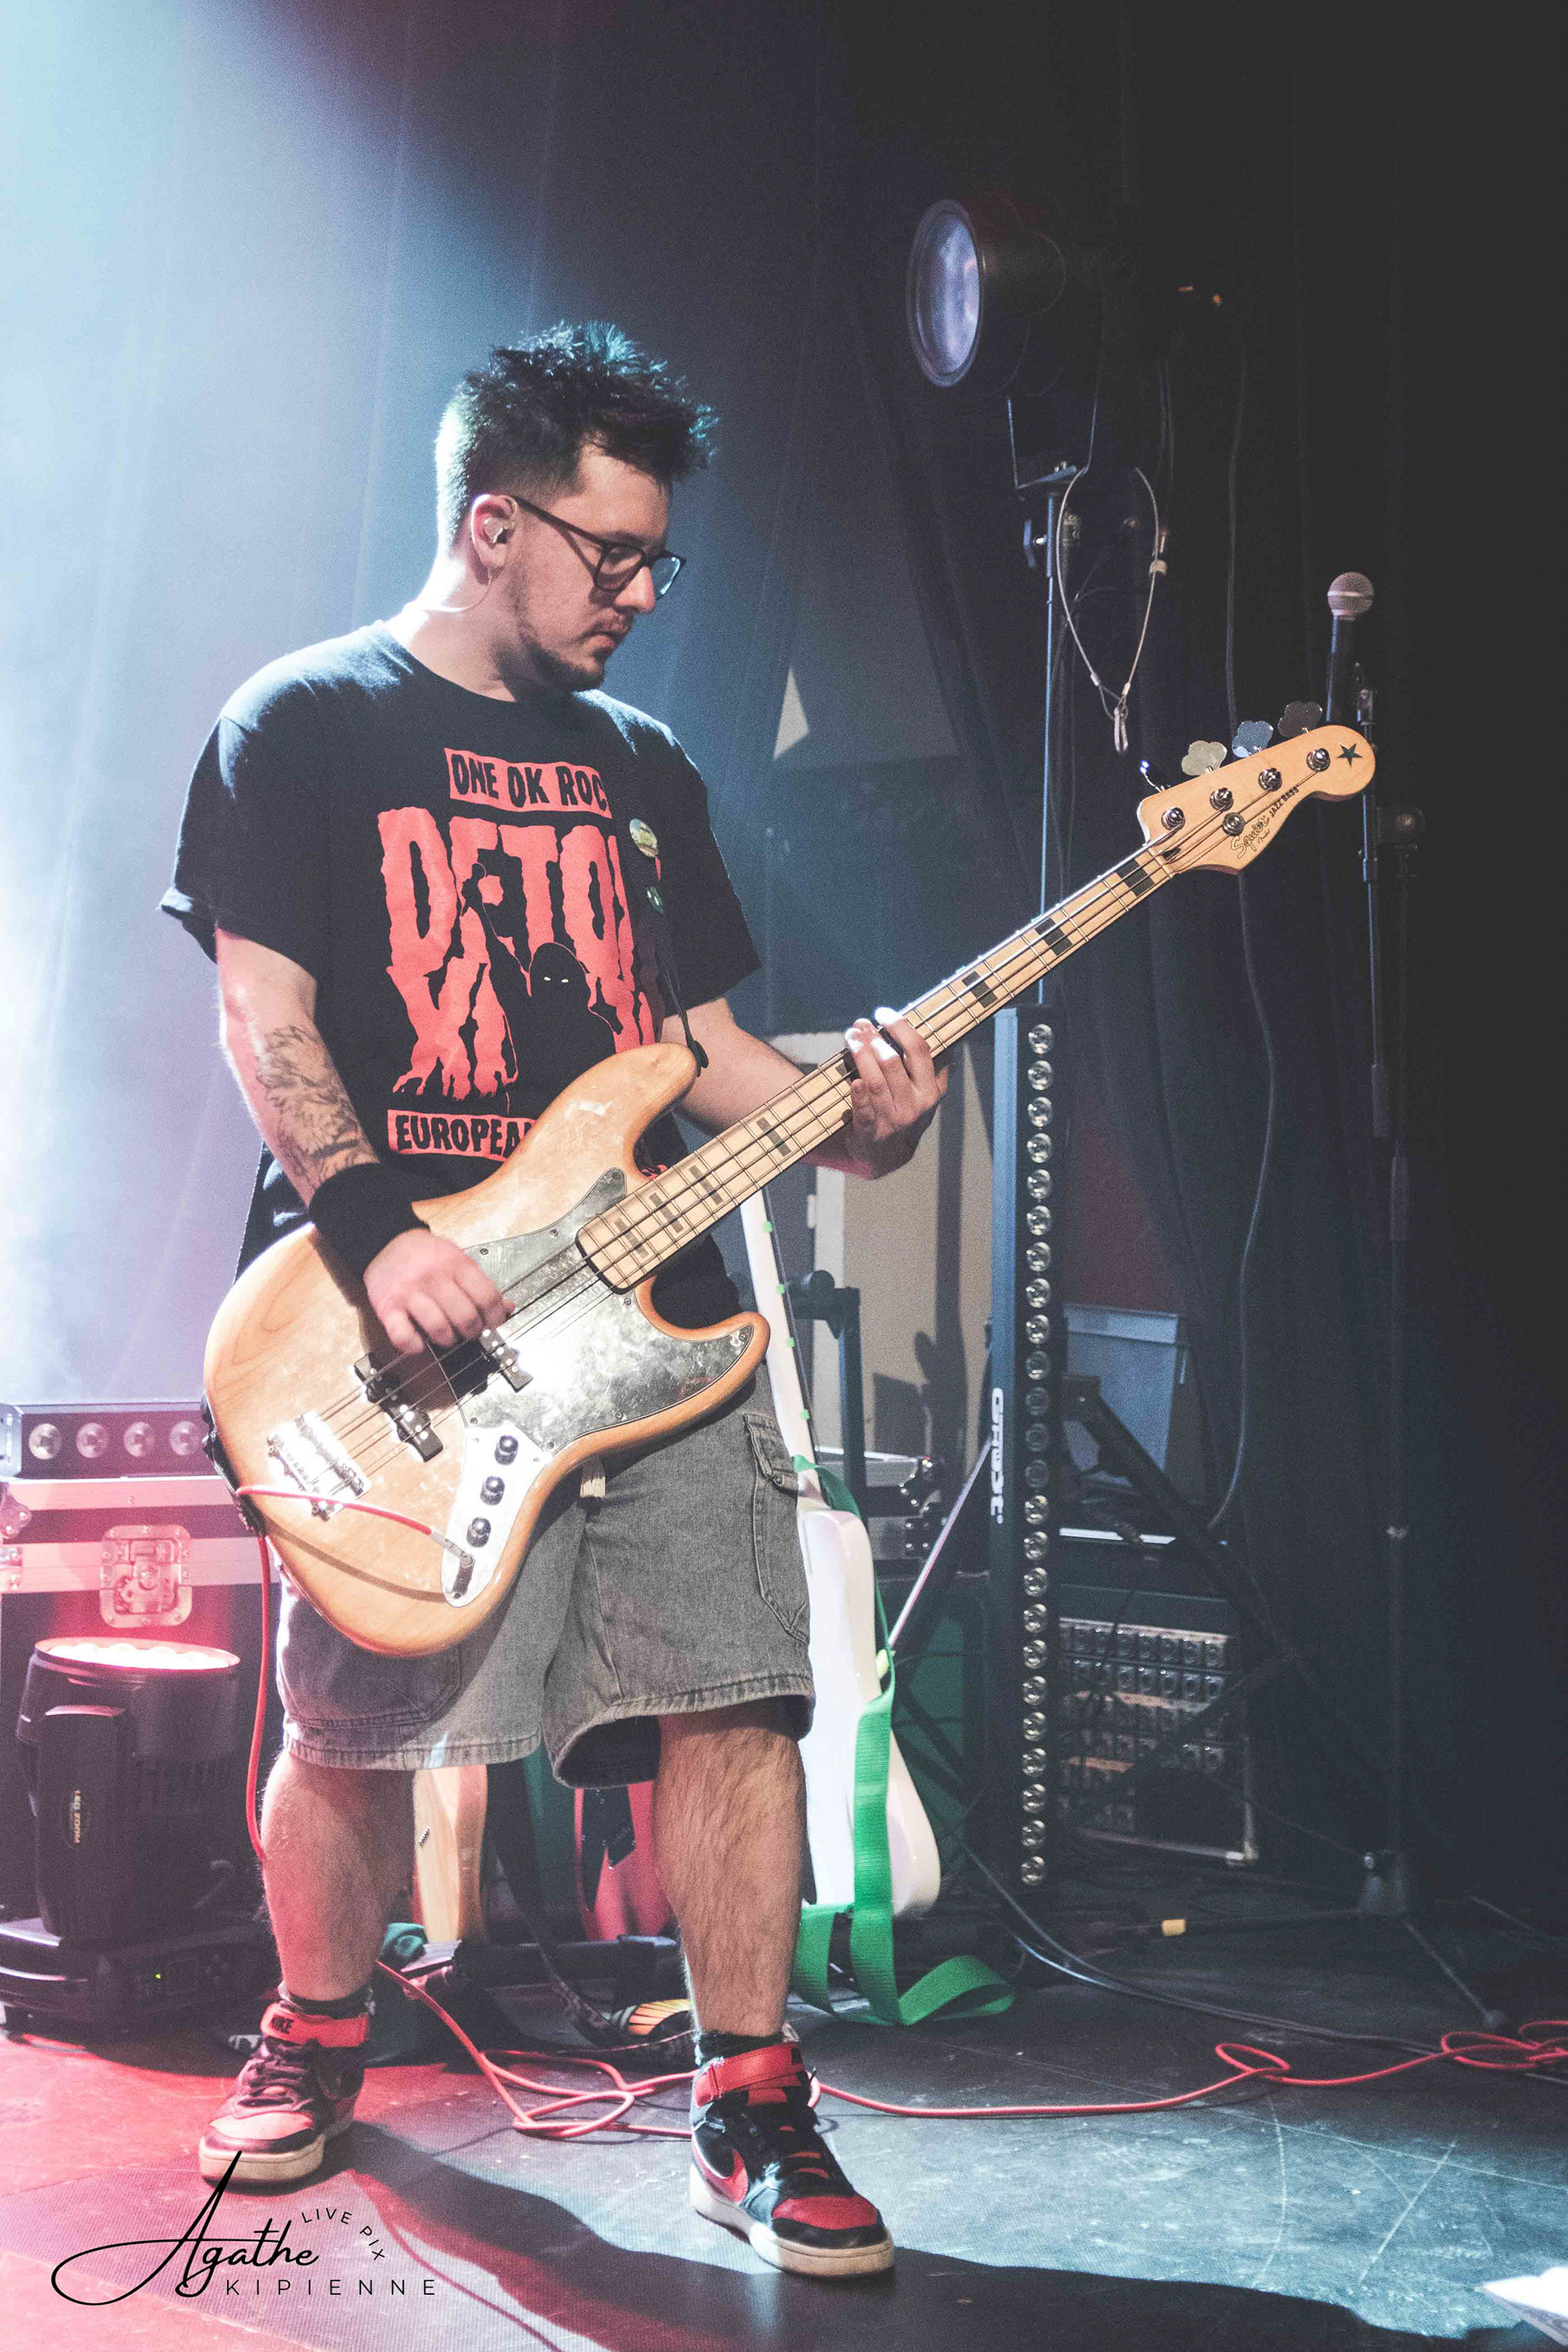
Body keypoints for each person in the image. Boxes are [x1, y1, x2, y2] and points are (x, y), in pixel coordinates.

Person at [162, 323, 945, 2280]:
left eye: (662, 560)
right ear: (491, 522)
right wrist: (375, 1231)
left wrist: (860, 1126)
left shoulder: (644, 768)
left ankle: (750, 2098)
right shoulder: (303, 721)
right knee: (358, 1721)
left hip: (658, 1327)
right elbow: (263, 1012)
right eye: (613, 553)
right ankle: (316, 2031)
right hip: (395, 1327)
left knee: (736, 1698)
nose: (644, 593)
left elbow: (702, 1052)